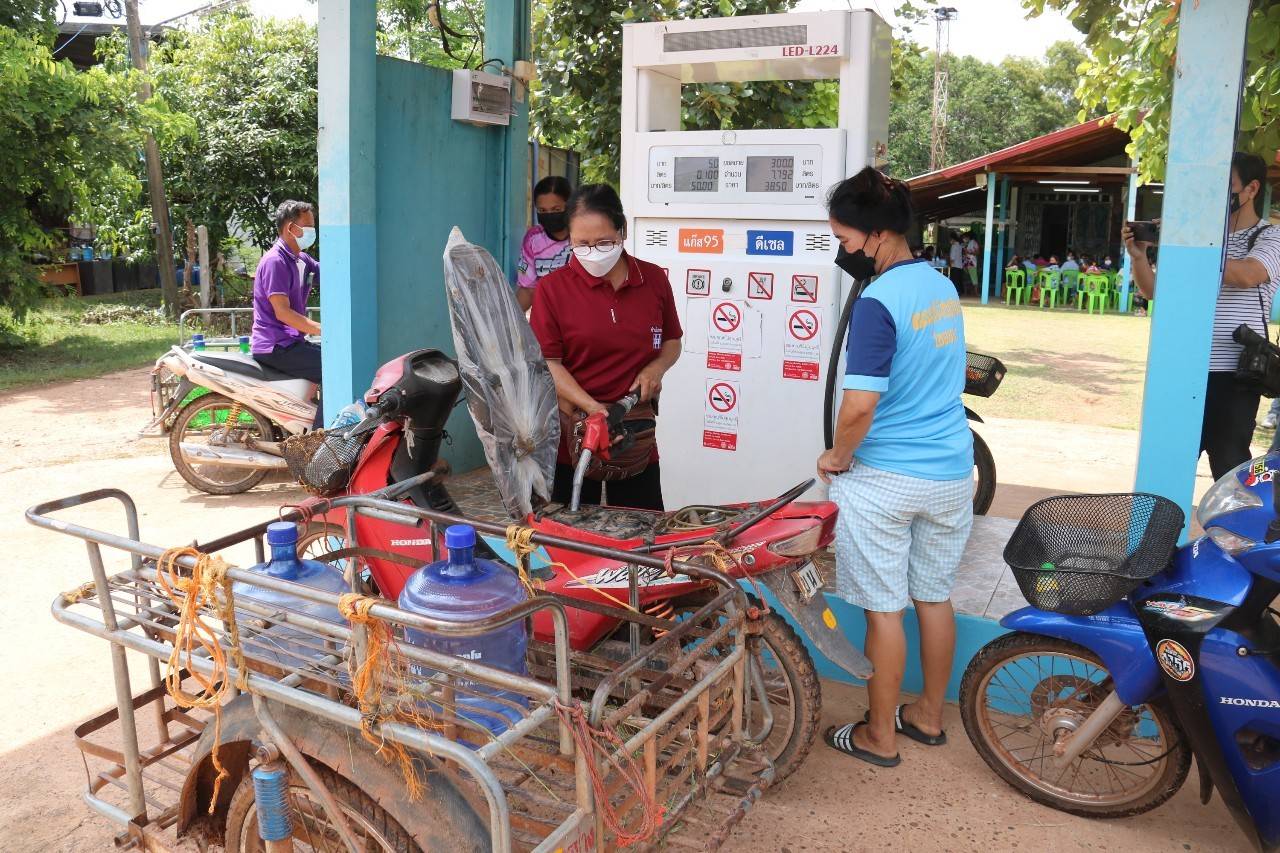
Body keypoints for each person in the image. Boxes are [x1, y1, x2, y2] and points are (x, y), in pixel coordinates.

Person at [816, 167, 974, 768]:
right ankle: (928, 716)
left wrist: (837, 457)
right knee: (933, 598)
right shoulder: (941, 286)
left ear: (877, 235)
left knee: (884, 610)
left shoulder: (877, 302)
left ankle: (879, 736)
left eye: (845, 239)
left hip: (886, 479)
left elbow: (860, 405)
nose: (842, 251)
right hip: (951, 473)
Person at [1124, 151, 1280, 478]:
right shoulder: (1196, 240)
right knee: (1170, 464)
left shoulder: (1269, 236)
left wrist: (1190, 244)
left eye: (1226, 185)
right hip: (1184, 366)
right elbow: (1153, 291)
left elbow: (1248, 274)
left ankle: (1235, 517)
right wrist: (1139, 257)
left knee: (1230, 467)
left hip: (1235, 374)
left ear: (1251, 189)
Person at [529, 184, 683, 510]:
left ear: (622, 230)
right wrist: (594, 409)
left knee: (640, 528)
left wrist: (655, 369)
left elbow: (672, 340)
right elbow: (549, 363)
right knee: (568, 530)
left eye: (603, 242)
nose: (593, 252)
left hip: (634, 432)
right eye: (581, 244)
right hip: (572, 436)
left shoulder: (653, 279)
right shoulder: (552, 290)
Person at [251, 200, 323, 428]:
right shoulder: (275, 261)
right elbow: (282, 312)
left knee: (332, 358)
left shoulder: (301, 259)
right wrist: (321, 329)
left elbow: (334, 274)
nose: (313, 232)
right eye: (308, 227)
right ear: (291, 228)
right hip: (275, 345)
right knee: (332, 369)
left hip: (291, 343)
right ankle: (324, 439)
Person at [516, 176, 574, 311]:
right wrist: (510, 320)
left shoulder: (585, 236)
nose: (549, 215)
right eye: (542, 211)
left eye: (556, 209)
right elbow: (528, 290)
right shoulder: (533, 239)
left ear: (570, 206)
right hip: (548, 316)